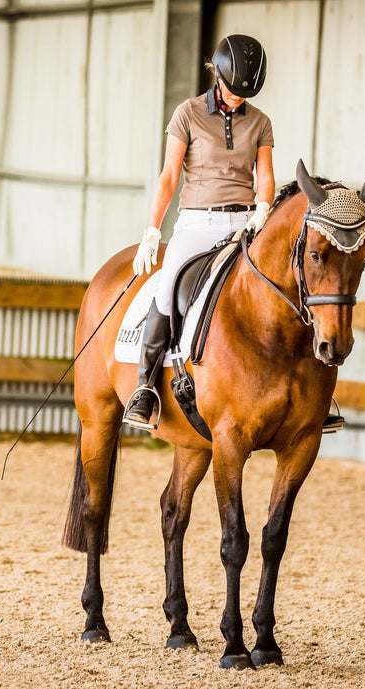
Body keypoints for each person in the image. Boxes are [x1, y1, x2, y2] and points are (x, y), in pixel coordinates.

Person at [123, 34, 275, 429]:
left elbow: (266, 175)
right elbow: (169, 176)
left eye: (247, 94)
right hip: (197, 223)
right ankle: (145, 387)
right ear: (218, 76)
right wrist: (152, 232)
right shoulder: (187, 113)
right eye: (233, 91)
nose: (239, 99)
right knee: (168, 285)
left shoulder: (260, 122)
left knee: (284, 284)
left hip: (244, 223)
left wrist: (263, 208)